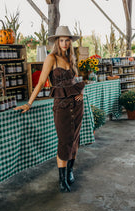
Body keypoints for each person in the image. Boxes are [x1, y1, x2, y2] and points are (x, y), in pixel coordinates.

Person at [14, 26, 85, 192]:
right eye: (62, 40)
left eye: (67, 40)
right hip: (61, 106)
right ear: (56, 42)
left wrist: (81, 91)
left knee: (75, 140)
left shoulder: (71, 59)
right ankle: (61, 180)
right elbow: (40, 83)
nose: (65, 43)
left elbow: (76, 81)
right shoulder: (51, 58)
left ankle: (70, 173)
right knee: (64, 141)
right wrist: (29, 103)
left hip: (77, 105)